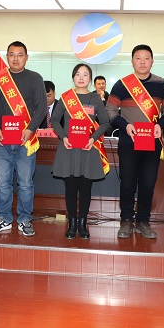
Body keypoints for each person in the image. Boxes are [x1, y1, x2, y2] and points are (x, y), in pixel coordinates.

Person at [106, 44, 164, 239]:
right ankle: (126, 220)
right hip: (129, 140)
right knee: (127, 182)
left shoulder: (161, 84)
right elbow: (110, 110)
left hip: (152, 140)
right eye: (138, 58)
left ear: (152, 61)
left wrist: (160, 125)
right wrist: (125, 125)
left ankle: (143, 222)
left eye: (146, 58)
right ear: (132, 61)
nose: (142, 62)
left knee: (148, 183)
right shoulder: (122, 84)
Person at [0, 41, 46, 237]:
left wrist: (30, 129)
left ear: (26, 57)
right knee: (2, 182)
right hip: (2, 139)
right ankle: (4, 218)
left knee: (25, 183)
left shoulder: (35, 78)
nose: (16, 58)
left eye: (20, 55)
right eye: (12, 54)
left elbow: (41, 107)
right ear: (7, 57)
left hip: (26, 140)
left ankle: (25, 219)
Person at [50, 63, 110, 239]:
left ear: (90, 79)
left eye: (85, 74)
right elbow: (54, 120)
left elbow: (105, 123)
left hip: (88, 148)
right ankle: (72, 223)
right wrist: (63, 137)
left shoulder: (95, 98)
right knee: (70, 188)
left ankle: (83, 224)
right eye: (77, 74)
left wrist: (93, 138)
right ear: (73, 77)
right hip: (69, 148)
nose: (81, 77)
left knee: (85, 188)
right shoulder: (66, 97)